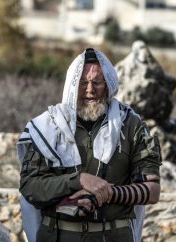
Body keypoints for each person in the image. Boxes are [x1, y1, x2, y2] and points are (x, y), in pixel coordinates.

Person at [18, 48, 161, 242]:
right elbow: (30, 187)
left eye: (97, 82)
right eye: (83, 82)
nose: (90, 90)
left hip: (113, 236)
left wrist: (108, 193)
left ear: (108, 84)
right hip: (58, 235)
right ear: (72, 84)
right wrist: (77, 181)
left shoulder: (132, 125)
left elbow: (152, 190)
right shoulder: (47, 127)